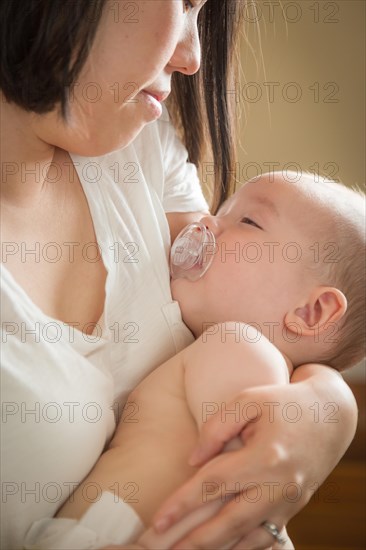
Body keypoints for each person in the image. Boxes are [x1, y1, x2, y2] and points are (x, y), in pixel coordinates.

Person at [0, 1, 359, 548]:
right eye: (185, 2)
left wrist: (329, 408)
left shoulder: (141, 139)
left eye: (249, 221)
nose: (193, 59)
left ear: (313, 311)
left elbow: (255, 438)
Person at [23, 172, 365, 549]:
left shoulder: (241, 344)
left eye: (248, 221)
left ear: (312, 312)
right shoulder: (232, 356)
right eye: (221, 210)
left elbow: (235, 480)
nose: (205, 222)